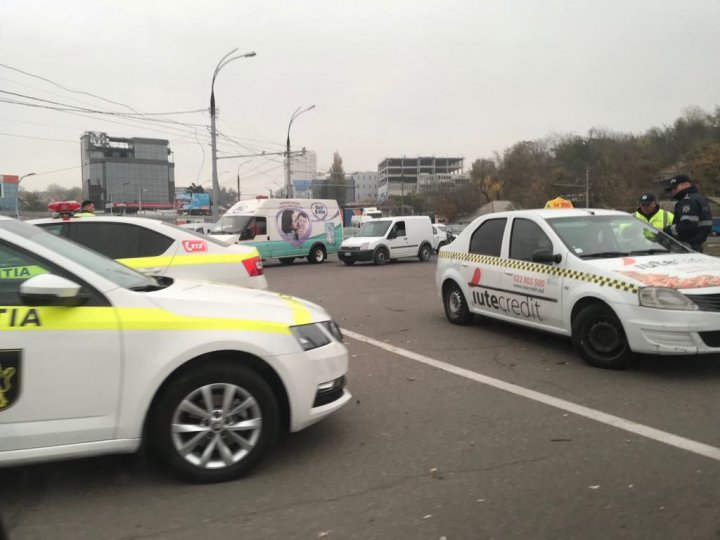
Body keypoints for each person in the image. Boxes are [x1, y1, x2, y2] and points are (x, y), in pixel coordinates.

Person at [662, 174, 712, 252]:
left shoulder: (687, 201)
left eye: (675, 188)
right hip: (697, 246)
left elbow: (687, 226)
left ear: (685, 185)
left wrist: (665, 230)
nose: (673, 191)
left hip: (686, 247)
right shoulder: (699, 198)